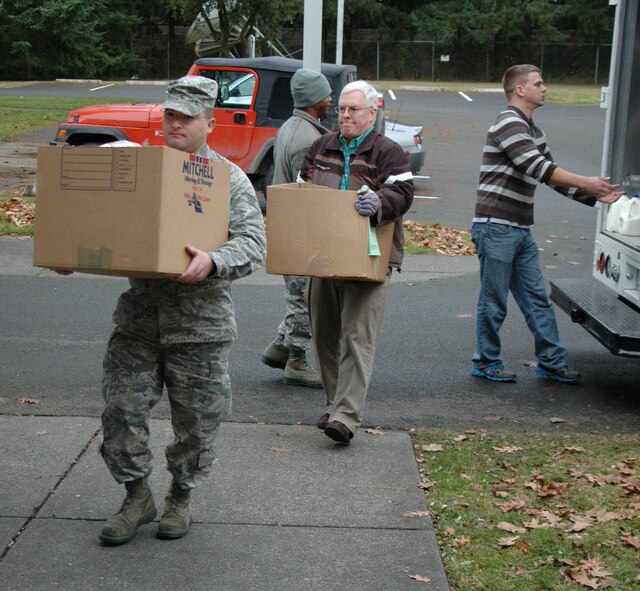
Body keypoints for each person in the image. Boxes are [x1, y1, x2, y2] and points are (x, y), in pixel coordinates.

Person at [97, 76, 266, 544]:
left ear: (209, 123)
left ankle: (180, 496)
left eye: (187, 117)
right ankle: (136, 496)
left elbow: (253, 246)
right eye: (170, 114)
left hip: (201, 325)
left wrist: (214, 260)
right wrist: (78, 253)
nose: (175, 124)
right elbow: (102, 222)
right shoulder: (141, 171)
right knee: (121, 409)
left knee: (196, 423)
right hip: (139, 319)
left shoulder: (227, 178)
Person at [471, 64, 621, 384]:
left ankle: (552, 362)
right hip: (495, 226)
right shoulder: (507, 122)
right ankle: (485, 361)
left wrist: (599, 198)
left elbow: (555, 180)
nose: (544, 88)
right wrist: (588, 181)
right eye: (538, 83)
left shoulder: (534, 131)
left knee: (537, 297)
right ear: (519, 90)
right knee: (494, 300)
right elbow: (538, 167)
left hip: (519, 228)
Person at [300, 80, 414, 445]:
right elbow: (302, 186)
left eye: (353, 109)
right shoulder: (321, 146)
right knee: (326, 335)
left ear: (371, 114)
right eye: (342, 109)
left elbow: (402, 191)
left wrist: (379, 203)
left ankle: (347, 416)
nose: (345, 115)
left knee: (357, 336)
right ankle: (335, 405)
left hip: (370, 256)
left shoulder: (388, 151)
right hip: (324, 254)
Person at [261, 68, 332, 389]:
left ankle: (279, 346)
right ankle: (297, 361)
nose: (331, 100)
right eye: (327, 95)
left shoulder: (290, 126)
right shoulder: (309, 140)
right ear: (314, 99)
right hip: (300, 231)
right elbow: (314, 193)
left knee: (297, 295)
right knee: (305, 298)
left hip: (285, 226)